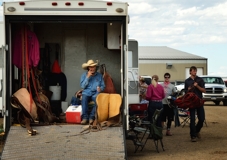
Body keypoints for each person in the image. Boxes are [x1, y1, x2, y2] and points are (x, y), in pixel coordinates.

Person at [80, 59, 105, 125]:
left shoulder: (99, 76)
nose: (92, 68)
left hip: (95, 93)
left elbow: (103, 85)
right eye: (90, 67)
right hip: (86, 92)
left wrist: (101, 89)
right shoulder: (84, 75)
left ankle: (91, 117)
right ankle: (85, 118)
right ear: (88, 68)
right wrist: (87, 77)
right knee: (84, 99)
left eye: (93, 67)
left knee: (98, 101)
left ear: (95, 67)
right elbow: (82, 86)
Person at [184, 66, 206, 142]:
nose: (195, 72)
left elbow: (204, 90)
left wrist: (197, 86)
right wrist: (189, 90)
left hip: (199, 101)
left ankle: (197, 130)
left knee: (202, 118)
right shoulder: (187, 81)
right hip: (192, 102)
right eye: (193, 71)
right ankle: (193, 136)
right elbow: (185, 93)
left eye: (195, 71)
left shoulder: (200, 80)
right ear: (190, 72)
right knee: (192, 119)